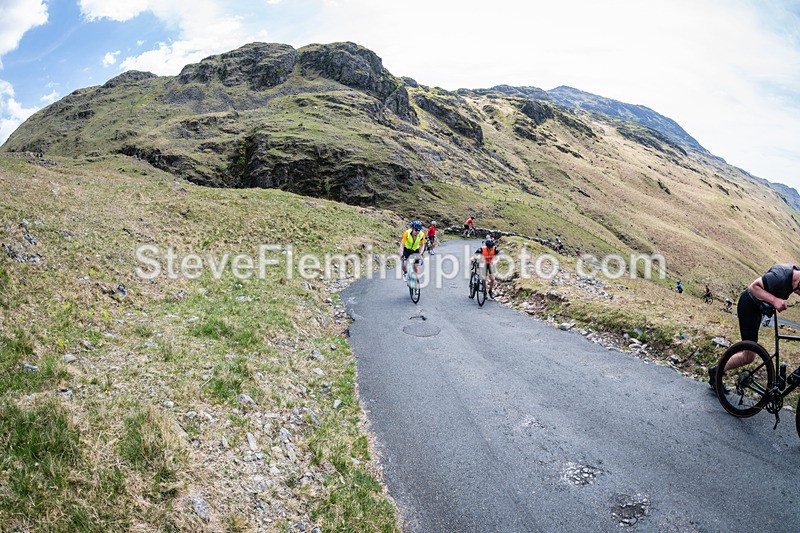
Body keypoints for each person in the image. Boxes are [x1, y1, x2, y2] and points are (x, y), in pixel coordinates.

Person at [709, 264, 800, 391]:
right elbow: (753, 287)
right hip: (748, 306)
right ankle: (716, 372)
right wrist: (775, 300)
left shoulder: (795, 276)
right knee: (749, 355)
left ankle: (716, 370)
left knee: (750, 354)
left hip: (758, 309)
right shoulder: (780, 276)